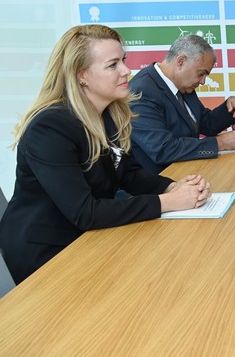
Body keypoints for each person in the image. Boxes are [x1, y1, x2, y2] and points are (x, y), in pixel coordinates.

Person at [0, 25, 212, 284]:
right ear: (81, 75)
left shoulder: (110, 115)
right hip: (46, 252)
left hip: (88, 239)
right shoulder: (50, 128)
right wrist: (168, 202)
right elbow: (85, 212)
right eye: (113, 65)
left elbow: (130, 175)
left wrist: (173, 187)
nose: (126, 70)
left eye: (123, 60)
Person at [129, 34, 235, 173]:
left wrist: (230, 108)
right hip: (161, 179)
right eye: (201, 74)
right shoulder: (141, 92)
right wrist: (219, 143)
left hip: (189, 170)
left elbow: (204, 123)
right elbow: (163, 149)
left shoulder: (183, 85)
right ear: (181, 61)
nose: (203, 81)